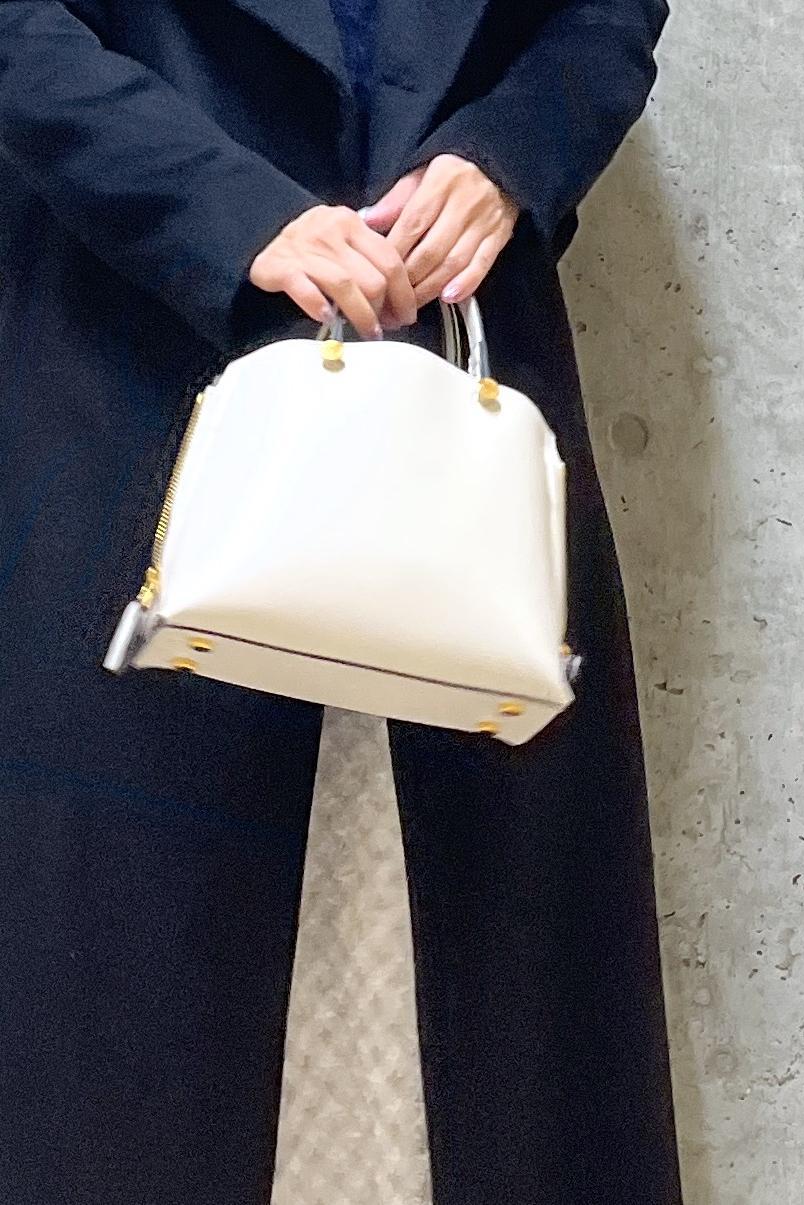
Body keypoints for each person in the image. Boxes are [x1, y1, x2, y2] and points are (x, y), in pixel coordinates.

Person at [0, 2, 682, 1203]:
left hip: (456, 396)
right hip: (135, 361)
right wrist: (225, 209)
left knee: (475, 1041)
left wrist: (508, 153)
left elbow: (605, 17)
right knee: (128, 1022)